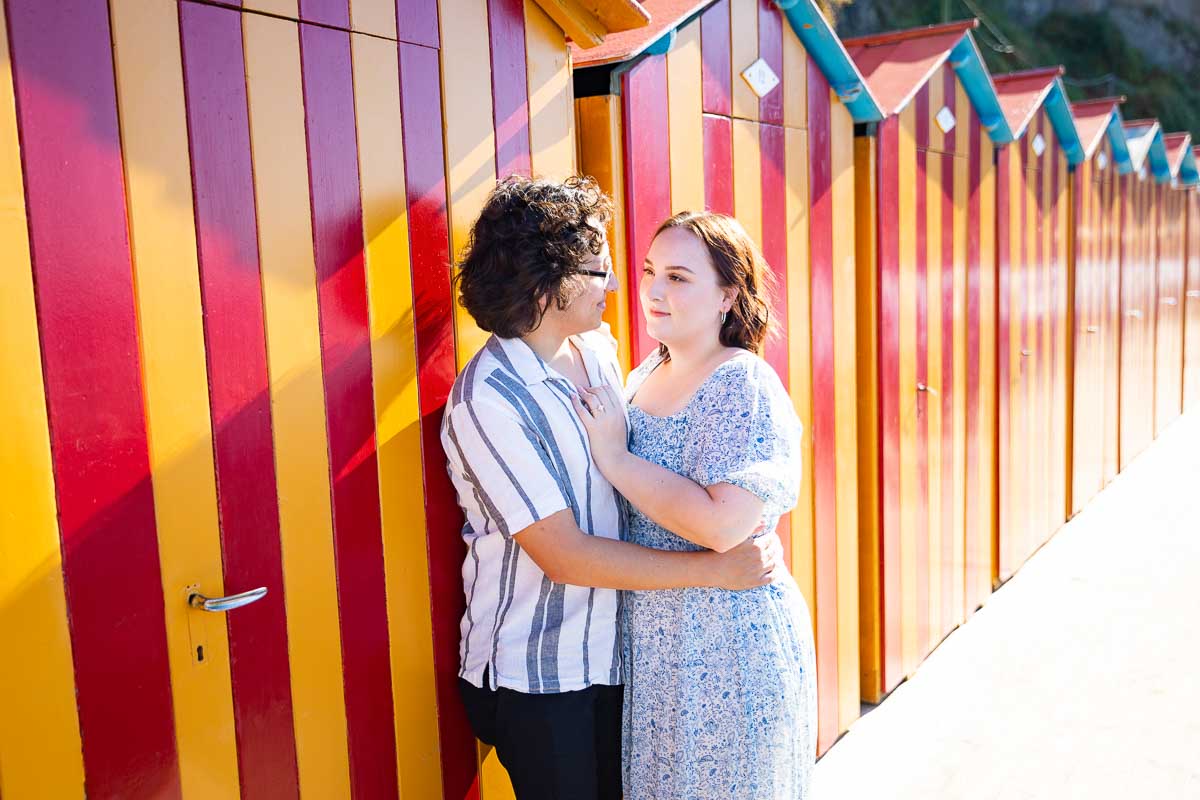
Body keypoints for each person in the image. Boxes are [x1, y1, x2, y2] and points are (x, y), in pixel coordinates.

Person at [440, 177, 783, 800]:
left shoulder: (598, 351)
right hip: (540, 677)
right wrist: (716, 571)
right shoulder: (487, 399)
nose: (620, 284)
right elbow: (564, 554)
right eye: (601, 269)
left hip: (619, 658)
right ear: (549, 284)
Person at [571, 211, 816, 799]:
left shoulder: (739, 382)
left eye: (679, 277)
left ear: (727, 295)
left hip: (729, 649)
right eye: (651, 270)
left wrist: (617, 459)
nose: (654, 289)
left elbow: (725, 524)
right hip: (662, 652)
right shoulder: (645, 372)